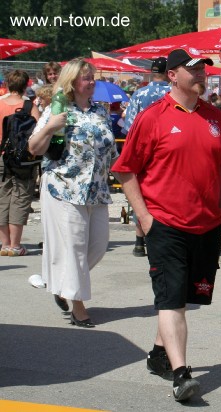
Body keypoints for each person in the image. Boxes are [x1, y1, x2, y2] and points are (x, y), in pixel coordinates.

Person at [112, 48, 221, 403]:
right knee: (171, 300)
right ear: (172, 75)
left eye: (204, 69)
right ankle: (181, 374)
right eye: (193, 69)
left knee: (183, 294)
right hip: (165, 223)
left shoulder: (216, 117)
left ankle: (158, 354)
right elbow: (126, 170)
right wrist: (144, 217)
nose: (201, 74)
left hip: (206, 223)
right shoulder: (153, 117)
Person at [28, 58, 118, 326]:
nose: (91, 82)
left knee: (98, 246)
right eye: (86, 78)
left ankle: (59, 284)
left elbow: (111, 152)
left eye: (93, 77)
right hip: (64, 187)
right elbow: (34, 147)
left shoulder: (100, 112)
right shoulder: (58, 109)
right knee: (75, 250)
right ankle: (77, 305)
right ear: (72, 81)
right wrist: (51, 127)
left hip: (97, 190)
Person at [122, 57, 171, 257]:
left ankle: (139, 240)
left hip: (142, 149)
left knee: (140, 193)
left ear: (151, 72)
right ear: (169, 72)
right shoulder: (172, 93)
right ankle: (163, 237)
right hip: (167, 148)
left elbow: (129, 126)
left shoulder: (140, 94)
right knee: (165, 191)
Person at [0, 70, 41, 257]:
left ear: (7, 84)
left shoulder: (0, 104)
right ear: (26, 85)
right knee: (21, 198)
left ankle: (5, 244)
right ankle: (16, 245)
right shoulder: (29, 106)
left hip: (2, 157)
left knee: (2, 198)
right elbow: (39, 133)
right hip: (23, 160)